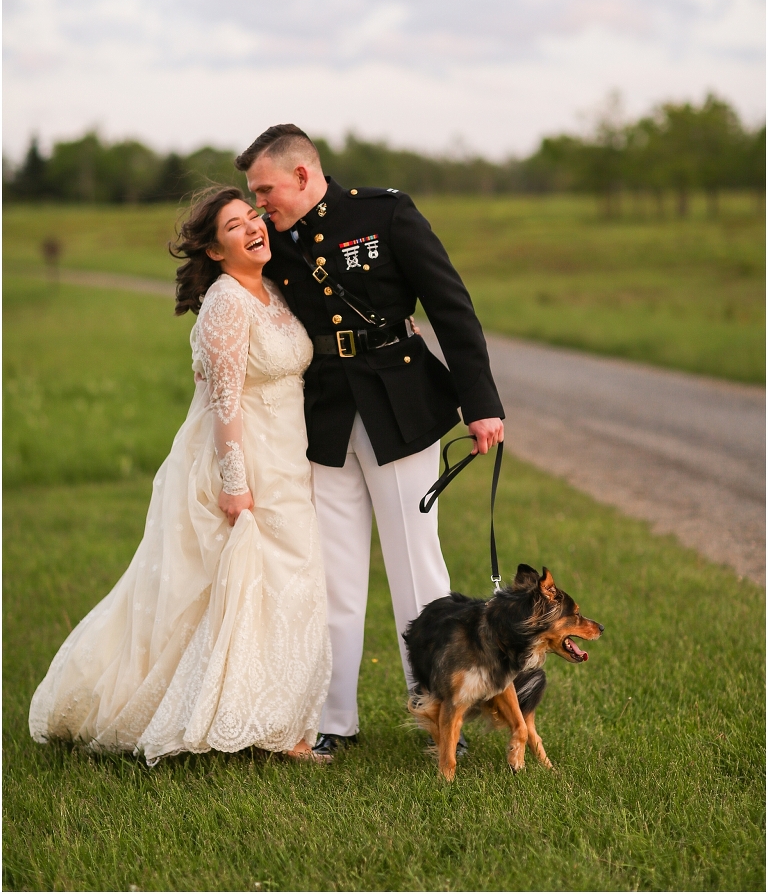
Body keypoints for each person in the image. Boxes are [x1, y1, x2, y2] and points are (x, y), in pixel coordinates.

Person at [29, 187, 332, 764]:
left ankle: (281, 723)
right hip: (245, 465)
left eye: (254, 218)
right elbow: (224, 404)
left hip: (290, 460)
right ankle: (227, 720)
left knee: (288, 590)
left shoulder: (270, 291)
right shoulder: (225, 303)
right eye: (235, 226)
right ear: (215, 251)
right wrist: (236, 483)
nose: (253, 228)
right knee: (233, 590)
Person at [237, 124, 505, 759]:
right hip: (324, 413)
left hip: (400, 407)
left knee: (417, 568)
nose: (259, 204)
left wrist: (481, 402)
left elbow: (450, 305)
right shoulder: (268, 240)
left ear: (301, 176)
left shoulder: (383, 213)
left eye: (264, 189)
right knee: (331, 574)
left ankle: (440, 714)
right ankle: (334, 719)